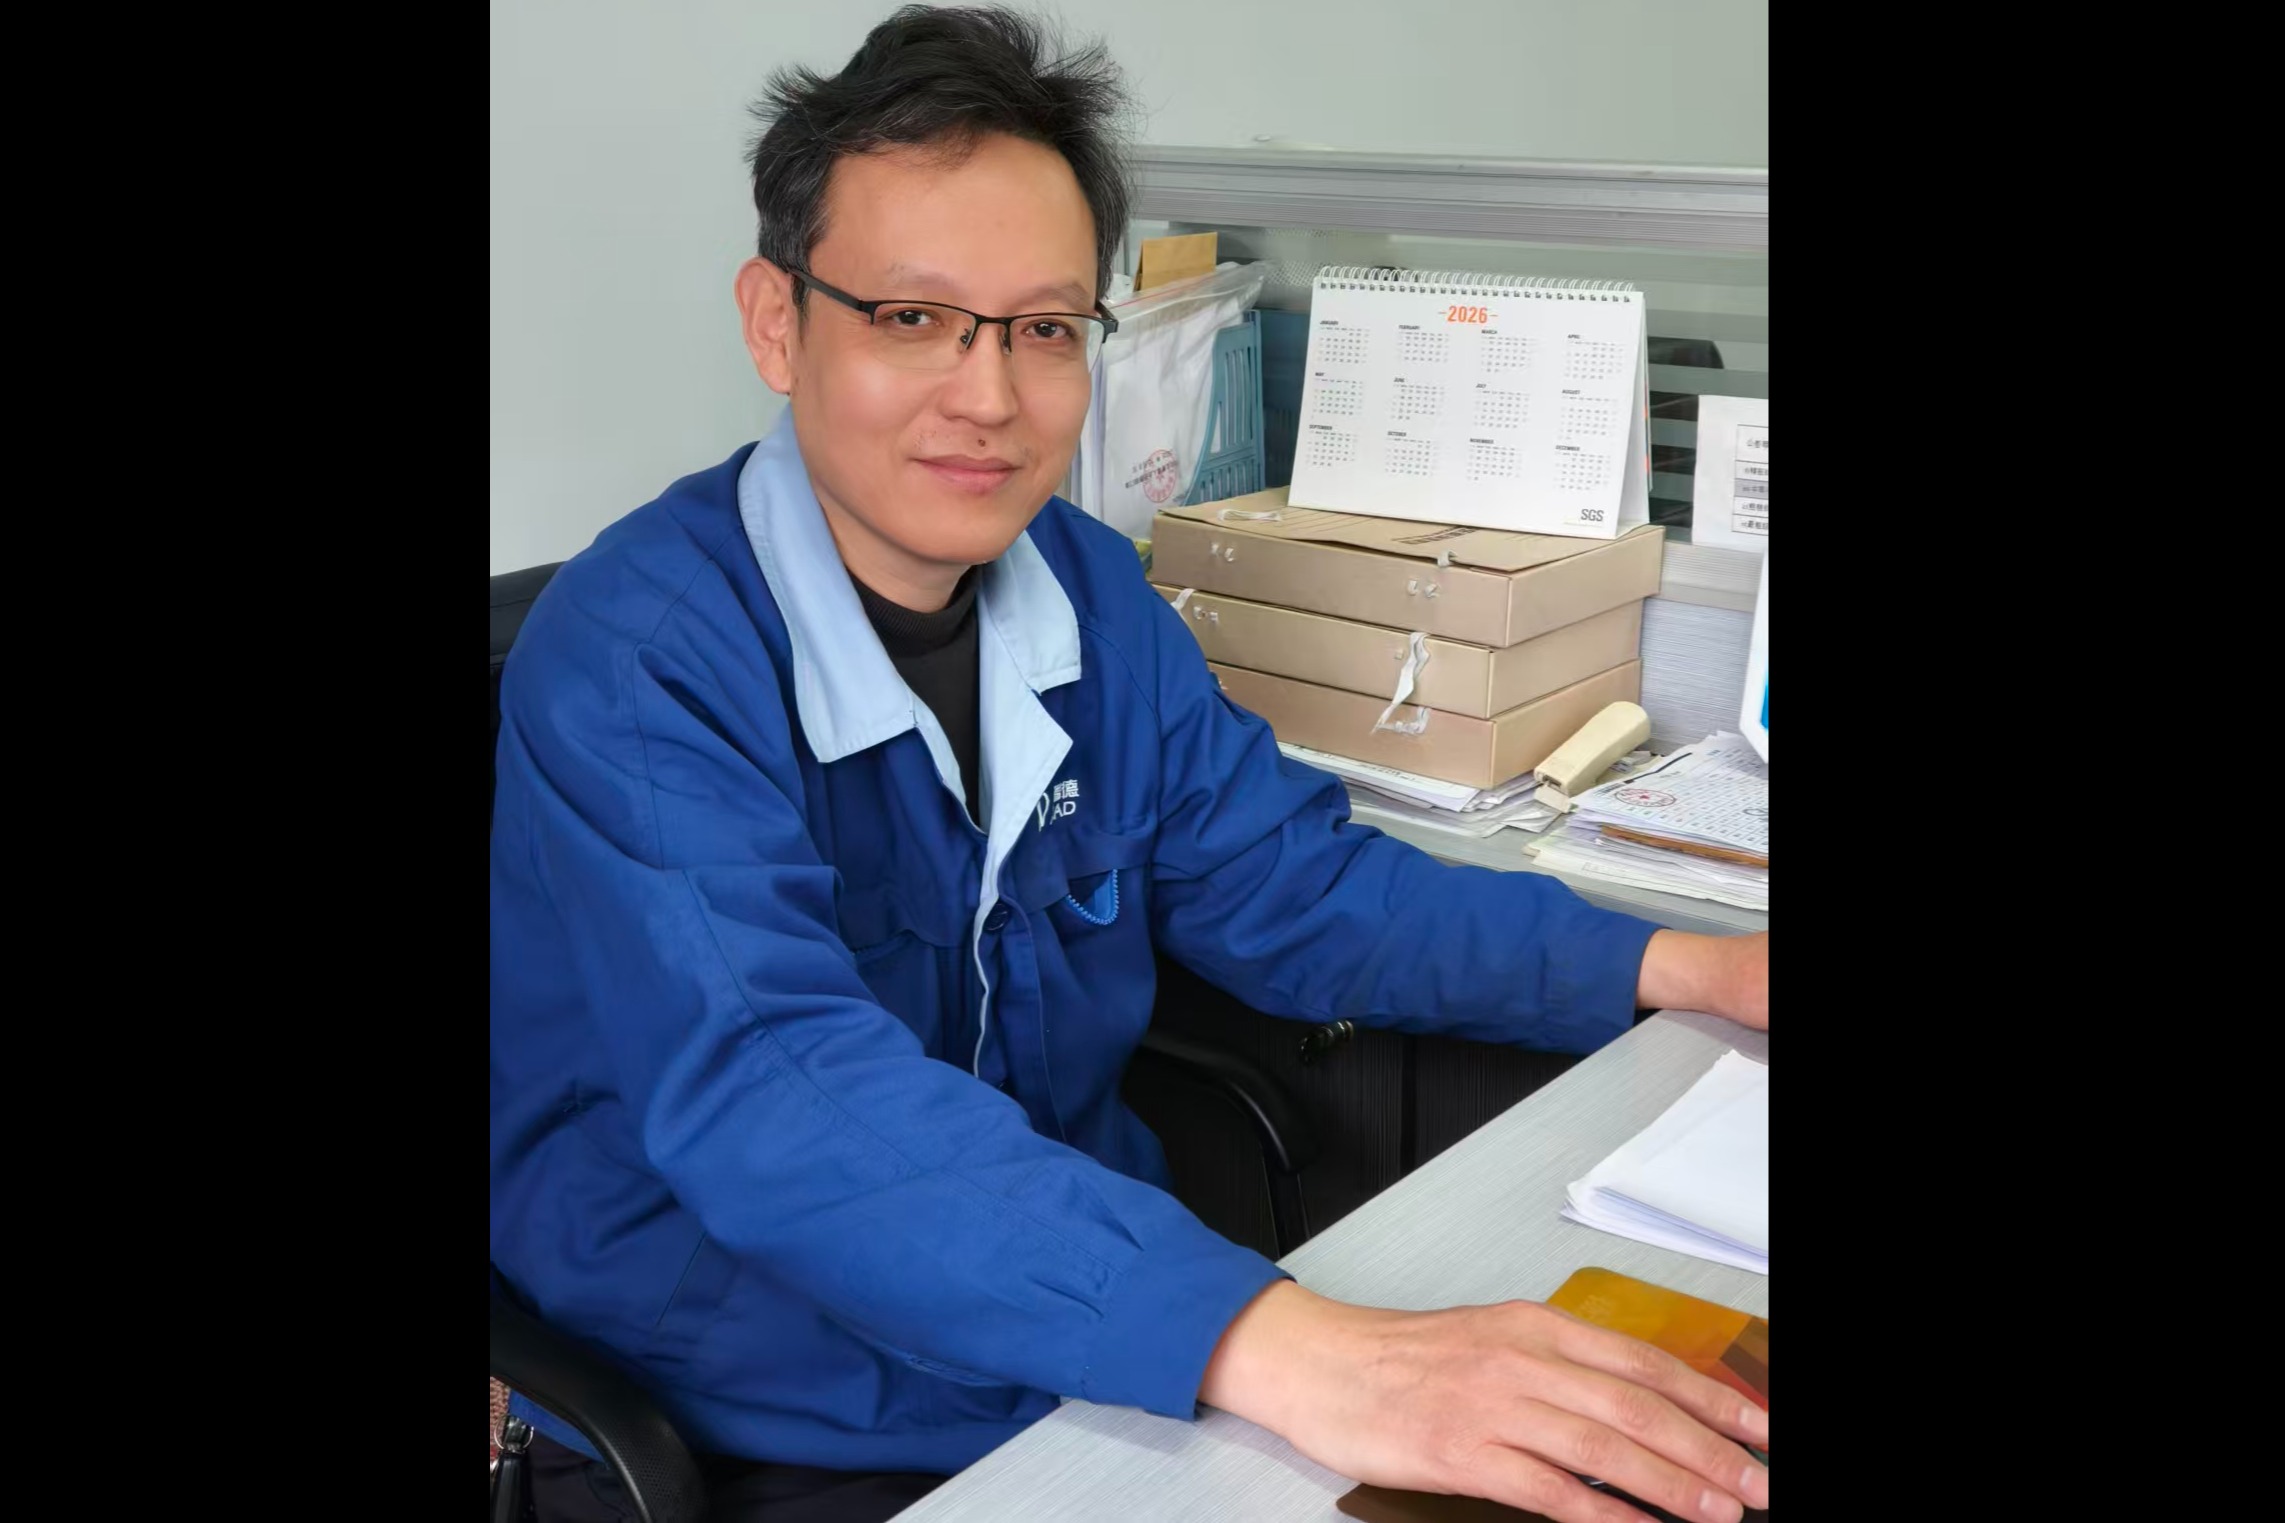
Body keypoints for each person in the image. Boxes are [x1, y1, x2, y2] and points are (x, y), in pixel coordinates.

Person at [490, 9, 1770, 1522]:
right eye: (913, 317)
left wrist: (1692, 966)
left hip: (1084, 1320)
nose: (988, 395)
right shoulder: (639, 658)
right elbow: (782, 1096)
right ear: (778, 323)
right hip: (770, 1400)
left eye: (1043, 328)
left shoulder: (1089, 593)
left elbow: (1297, 890)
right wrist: (1287, 1347)